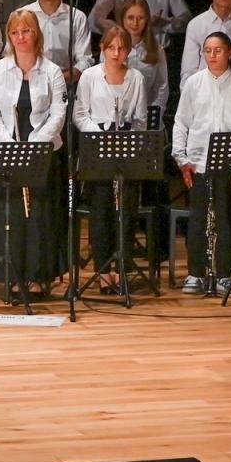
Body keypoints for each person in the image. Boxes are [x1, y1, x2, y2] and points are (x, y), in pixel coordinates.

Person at [0, 9, 68, 296]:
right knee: (12, 215)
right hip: (6, 153)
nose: (20, 37)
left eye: (26, 31)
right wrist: (9, 143)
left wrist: (35, 145)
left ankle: (38, 276)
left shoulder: (52, 71)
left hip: (42, 154)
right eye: (15, 32)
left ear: (36, 34)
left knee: (39, 215)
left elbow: (58, 113)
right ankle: (12, 275)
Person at [172, 32, 231, 296]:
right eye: (207, 50)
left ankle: (227, 274)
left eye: (218, 50)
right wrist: (182, 159)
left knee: (227, 217)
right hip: (198, 162)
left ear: (229, 52)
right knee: (198, 219)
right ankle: (195, 272)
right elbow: (181, 122)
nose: (212, 55)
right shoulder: (194, 83)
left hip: (230, 164)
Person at [73, 27, 149, 292]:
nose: (117, 53)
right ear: (102, 49)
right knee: (101, 214)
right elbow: (80, 115)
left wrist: (128, 138)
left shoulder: (136, 78)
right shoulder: (90, 77)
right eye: (111, 48)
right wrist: (100, 134)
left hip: (126, 151)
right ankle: (104, 274)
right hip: (97, 149)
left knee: (125, 213)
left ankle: (123, 271)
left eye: (122, 48)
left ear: (129, 50)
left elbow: (140, 119)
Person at [31, 0, 92, 84]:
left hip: (66, 83)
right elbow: (10, 56)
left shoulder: (77, 17)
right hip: (31, 82)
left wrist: (62, 79)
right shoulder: (23, 15)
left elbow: (85, 60)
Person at [118, 0, 169, 127]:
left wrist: (153, 117)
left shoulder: (157, 50)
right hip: (118, 121)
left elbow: (162, 88)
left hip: (148, 120)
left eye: (140, 18)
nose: (135, 23)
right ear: (122, 19)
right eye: (130, 18)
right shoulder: (112, 49)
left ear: (147, 20)